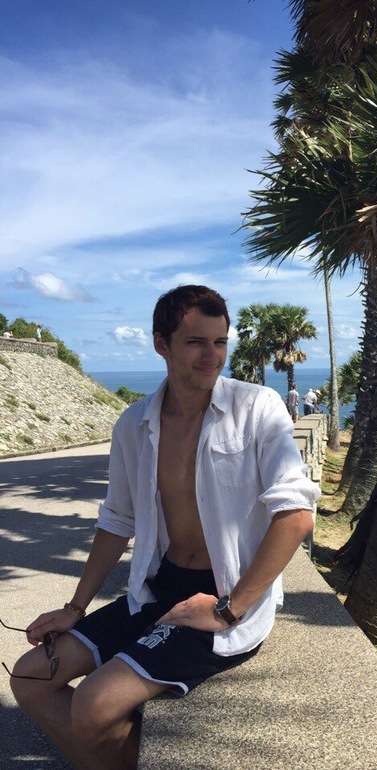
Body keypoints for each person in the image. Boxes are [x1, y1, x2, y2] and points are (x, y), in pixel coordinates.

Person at [9, 285, 319, 770]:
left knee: (93, 705)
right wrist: (75, 607)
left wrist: (228, 609)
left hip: (224, 595)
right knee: (29, 678)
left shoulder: (257, 407)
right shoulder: (134, 424)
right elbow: (117, 520)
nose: (212, 355)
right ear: (161, 344)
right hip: (158, 590)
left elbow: (296, 515)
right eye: (196, 342)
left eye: (220, 342)